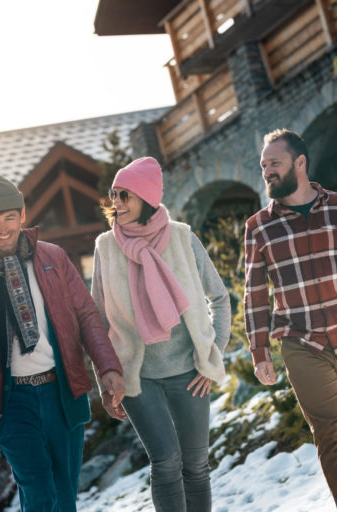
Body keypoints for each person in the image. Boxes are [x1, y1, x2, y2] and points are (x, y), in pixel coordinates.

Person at [0, 173, 125, 512]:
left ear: (23, 215)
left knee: (64, 494)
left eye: (9, 217)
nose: (2, 228)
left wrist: (108, 367)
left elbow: (86, 316)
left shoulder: (53, 257)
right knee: (38, 490)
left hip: (61, 391)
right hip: (10, 402)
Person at [244, 129, 337, 512]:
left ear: (300, 162)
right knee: (331, 433)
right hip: (301, 342)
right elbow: (255, 294)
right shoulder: (258, 227)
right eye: (263, 166)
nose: (267, 172)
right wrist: (260, 350)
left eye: (274, 164)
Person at [91, 157, 231, 512]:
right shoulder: (106, 247)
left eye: (126, 195)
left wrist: (211, 357)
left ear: (147, 198)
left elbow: (220, 297)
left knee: (196, 466)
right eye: (114, 194)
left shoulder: (182, 238)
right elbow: (96, 322)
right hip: (138, 377)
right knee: (166, 462)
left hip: (188, 371)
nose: (117, 203)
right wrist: (106, 382)